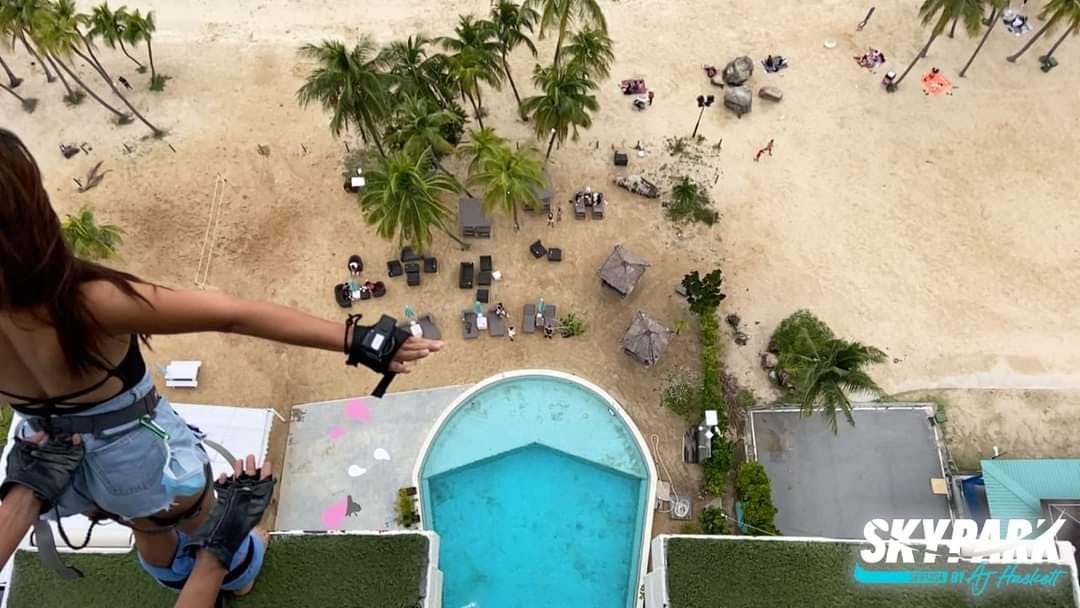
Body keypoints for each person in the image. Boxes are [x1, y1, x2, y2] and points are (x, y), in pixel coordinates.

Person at [0, 129, 443, 597]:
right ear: (34, 217)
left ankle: (184, 578)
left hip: (53, 464)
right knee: (196, 517)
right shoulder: (90, 304)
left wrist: (24, 495)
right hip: (138, 458)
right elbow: (232, 315)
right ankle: (240, 577)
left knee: (147, 526)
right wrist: (357, 339)